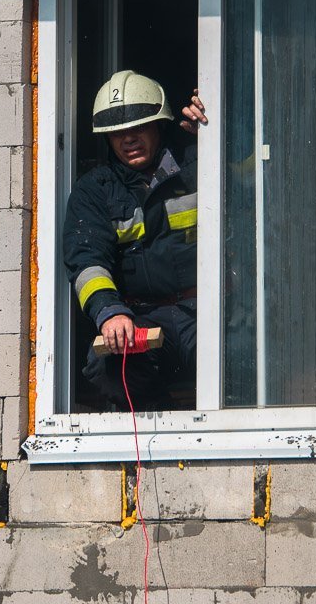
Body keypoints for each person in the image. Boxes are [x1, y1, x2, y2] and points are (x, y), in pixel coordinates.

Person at [63, 70, 207, 411]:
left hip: (207, 311)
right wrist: (110, 313)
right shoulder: (94, 191)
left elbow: (256, 177)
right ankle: (166, 436)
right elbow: (86, 261)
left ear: (160, 125)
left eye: (139, 127)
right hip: (144, 317)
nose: (128, 139)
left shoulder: (201, 162)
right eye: (118, 133)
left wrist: (230, 122)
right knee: (111, 367)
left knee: (244, 360)